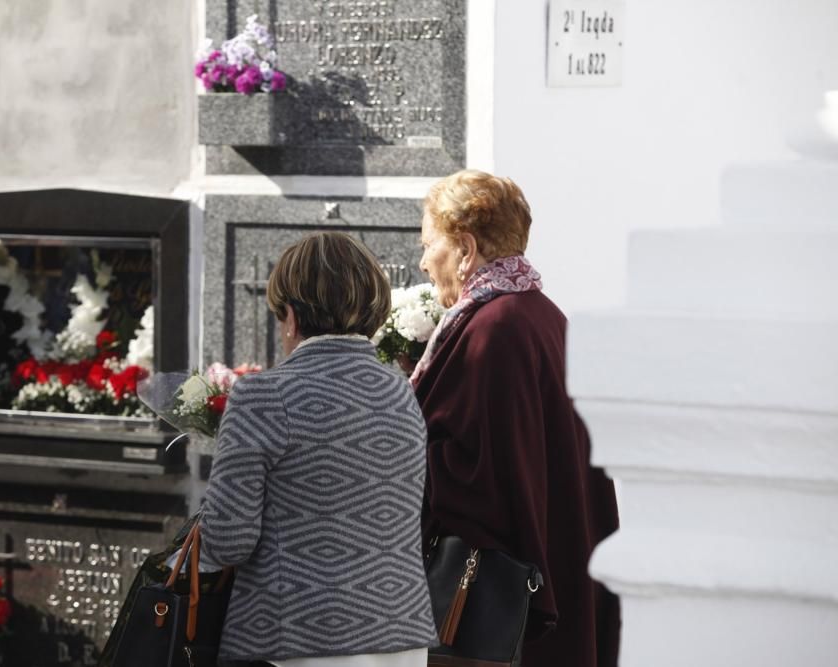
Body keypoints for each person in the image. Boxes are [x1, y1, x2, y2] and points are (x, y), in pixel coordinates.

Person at [199, 232, 438, 667]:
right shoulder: (401, 393)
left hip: (295, 638)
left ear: (290, 316)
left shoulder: (263, 395)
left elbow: (229, 540)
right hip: (399, 638)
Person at [412, 170, 621, 667]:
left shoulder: (494, 330)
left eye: (428, 244)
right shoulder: (543, 315)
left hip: (501, 608)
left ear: (464, 248)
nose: (422, 262)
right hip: (563, 559)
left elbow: (479, 477)